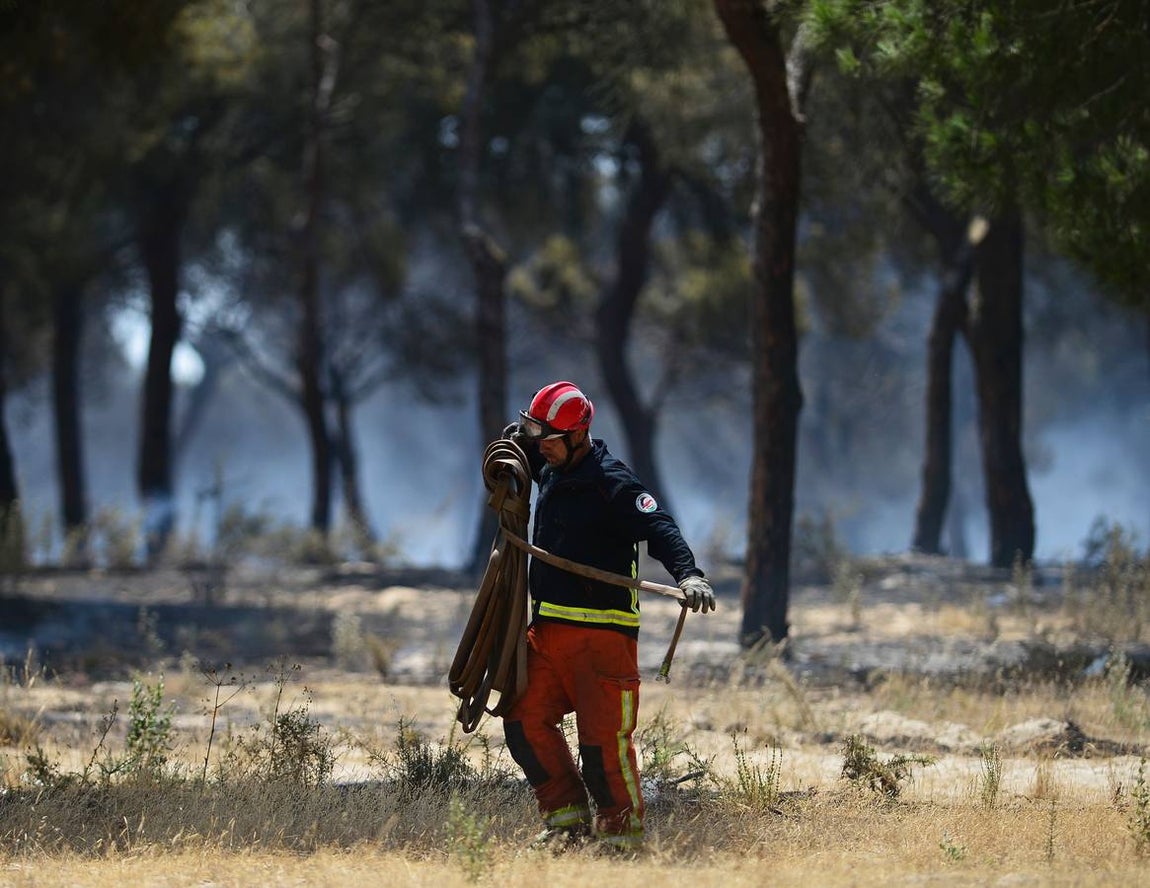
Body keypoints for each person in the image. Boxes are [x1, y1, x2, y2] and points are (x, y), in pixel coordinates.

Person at [500, 380, 715, 853]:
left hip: (603, 639)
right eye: (539, 439)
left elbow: (659, 526)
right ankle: (568, 826)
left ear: (578, 436)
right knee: (522, 721)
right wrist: (517, 440)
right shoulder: (551, 463)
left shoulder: (613, 483)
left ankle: (622, 841)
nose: (542, 448)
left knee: (603, 747)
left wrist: (690, 574)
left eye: (549, 439)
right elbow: (523, 454)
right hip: (547, 634)